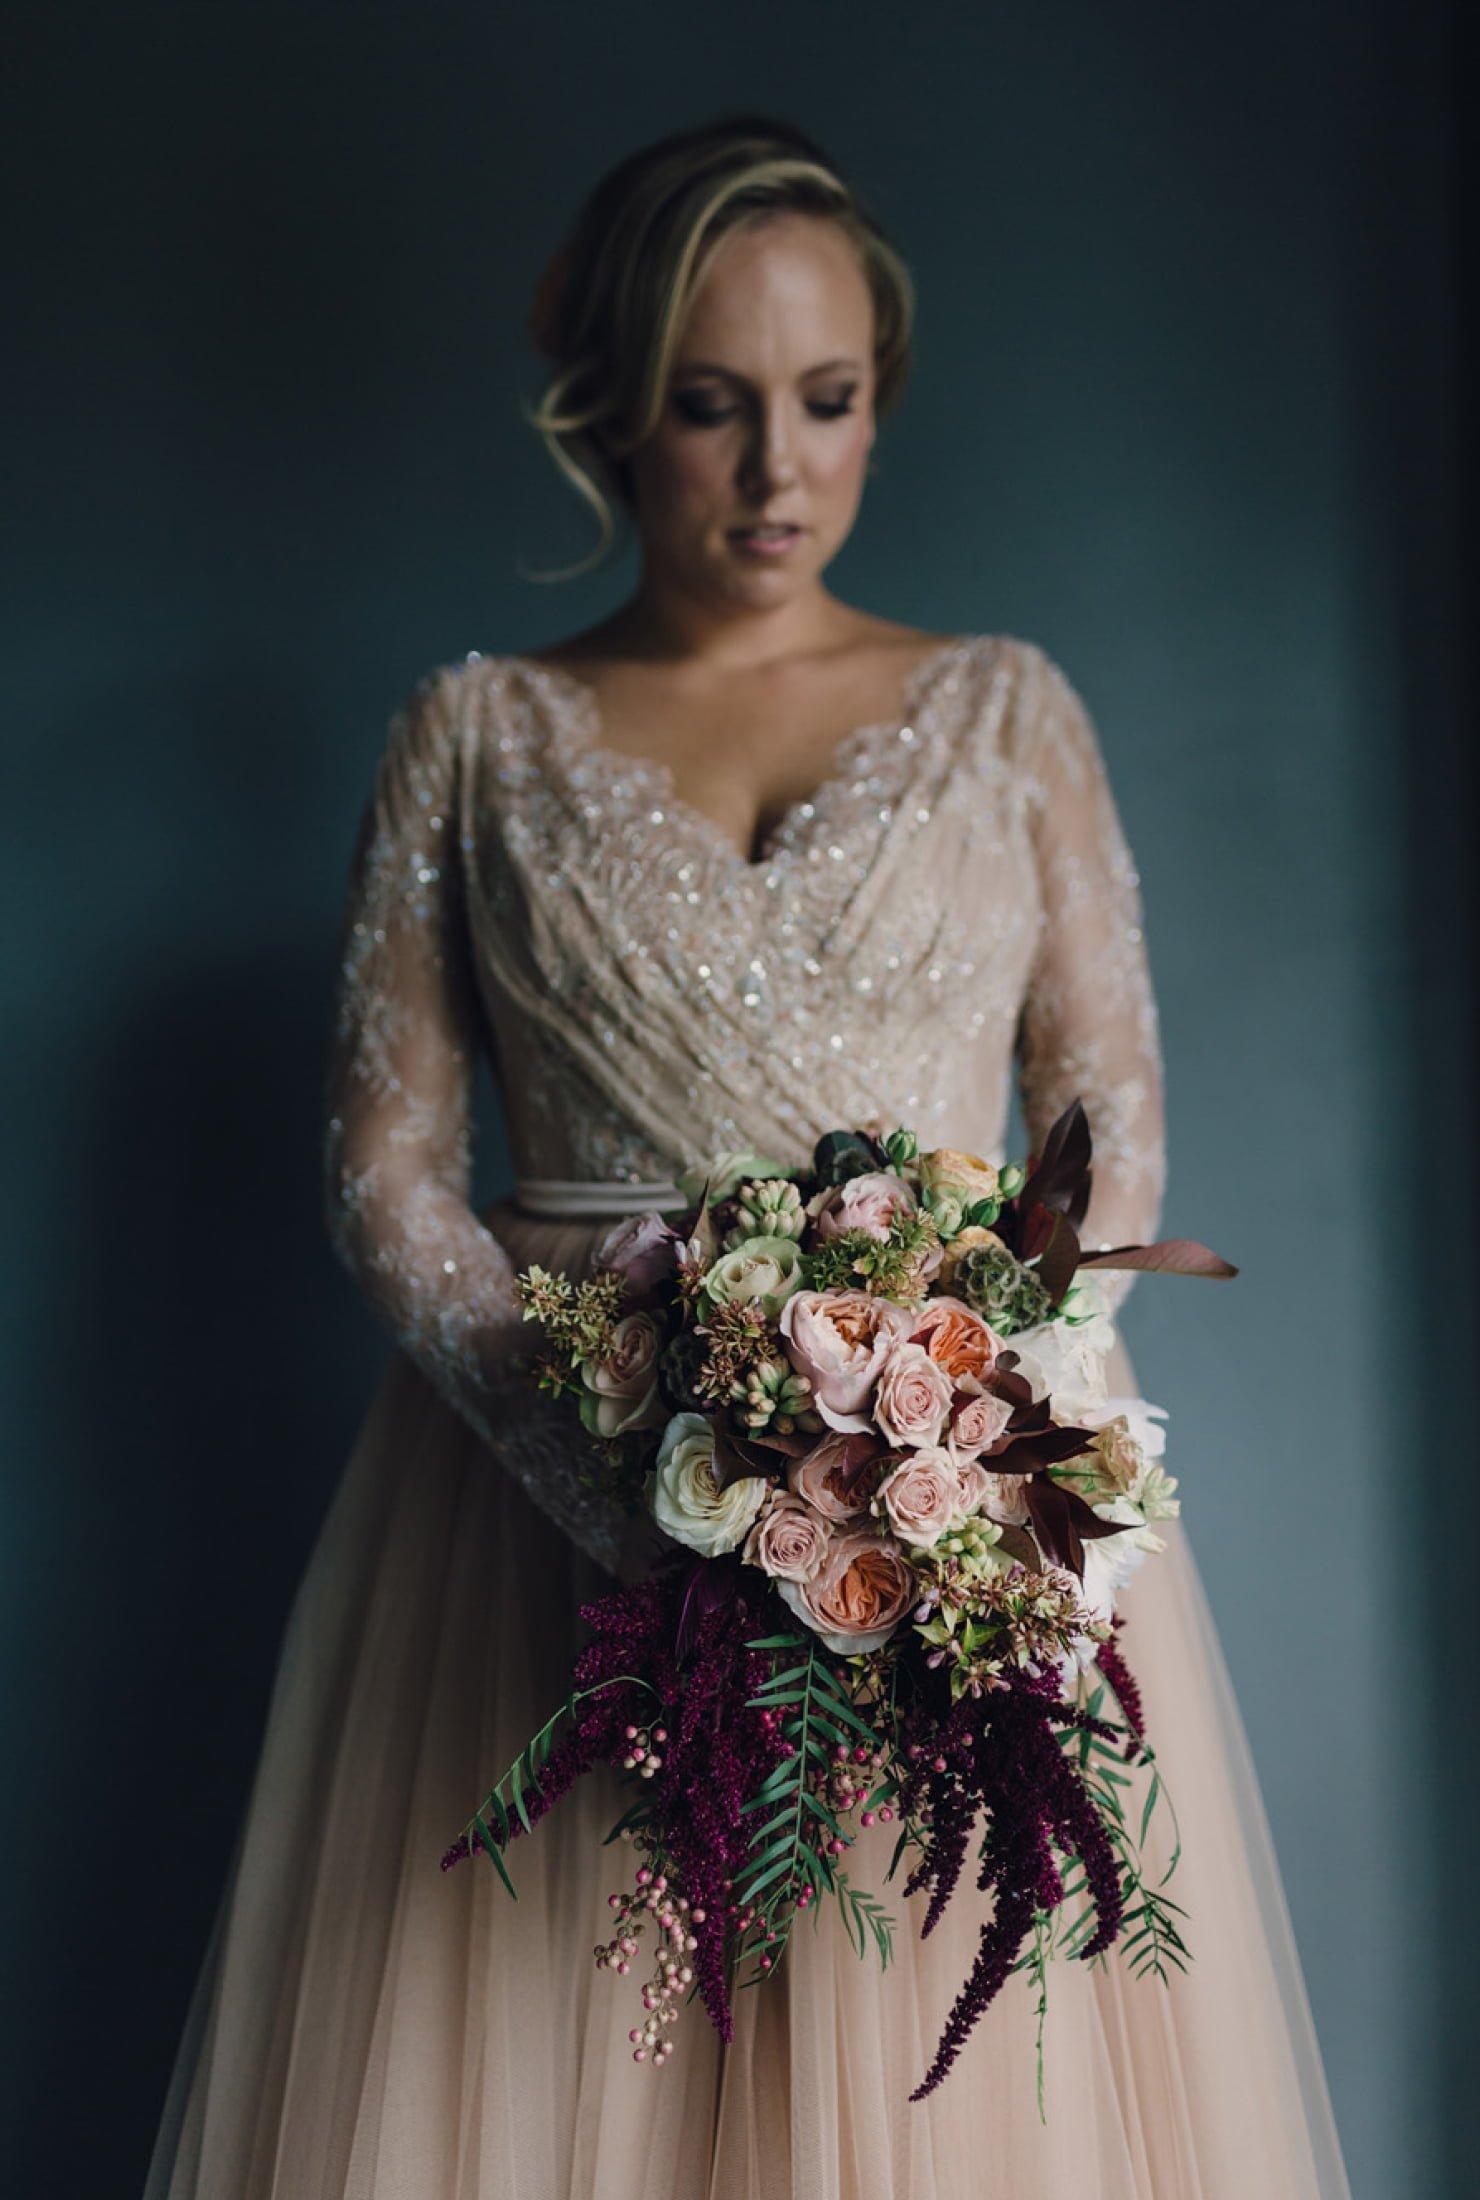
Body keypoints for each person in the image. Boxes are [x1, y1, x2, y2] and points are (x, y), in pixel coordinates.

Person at [145, 115, 1352, 2198]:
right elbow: (383, 1176)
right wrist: (608, 1471)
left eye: (828, 398)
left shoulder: (1007, 714)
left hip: (946, 1506)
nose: (777, 468)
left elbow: (1108, 1129)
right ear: (611, 407)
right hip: (541, 1526)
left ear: (882, 397)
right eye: (712, 405)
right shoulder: (473, 737)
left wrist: (957, 1423)